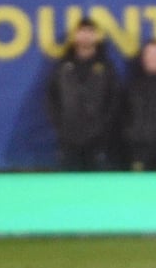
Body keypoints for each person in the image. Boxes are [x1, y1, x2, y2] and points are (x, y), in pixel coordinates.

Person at [46, 17, 122, 171]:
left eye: (90, 32)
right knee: (68, 185)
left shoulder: (106, 67)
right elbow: (52, 97)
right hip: (68, 138)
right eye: (82, 31)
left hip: (99, 139)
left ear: (96, 36)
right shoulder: (63, 66)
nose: (86, 36)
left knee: (97, 185)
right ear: (75, 36)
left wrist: (103, 126)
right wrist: (61, 125)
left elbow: (115, 99)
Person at [122, 39, 156, 171]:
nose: (154, 58)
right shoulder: (132, 85)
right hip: (137, 150)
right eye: (150, 54)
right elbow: (121, 117)